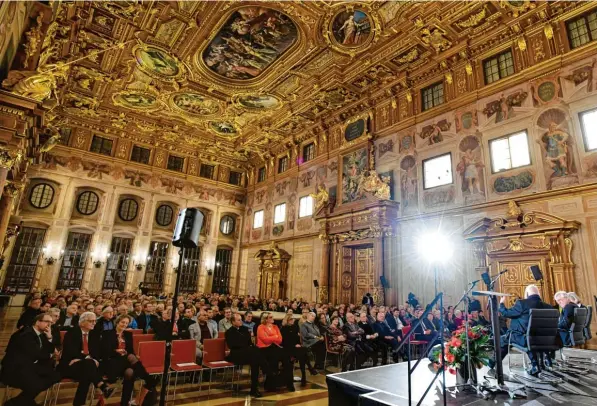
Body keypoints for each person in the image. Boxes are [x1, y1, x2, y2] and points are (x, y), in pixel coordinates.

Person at [1, 313, 61, 406]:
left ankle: (18, 401)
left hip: (30, 367)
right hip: (15, 369)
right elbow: (36, 354)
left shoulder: (42, 335)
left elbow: (48, 351)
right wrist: (50, 355)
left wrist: (49, 338)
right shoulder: (25, 334)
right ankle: (25, 401)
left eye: (51, 322)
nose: (49, 325)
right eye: (47, 322)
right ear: (37, 322)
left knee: (55, 376)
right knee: (36, 383)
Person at [101, 314, 157, 406]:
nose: (124, 325)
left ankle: (124, 402)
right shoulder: (107, 333)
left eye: (126, 323)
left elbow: (131, 351)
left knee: (130, 372)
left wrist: (133, 356)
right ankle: (149, 380)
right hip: (112, 362)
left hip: (126, 362)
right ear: (117, 322)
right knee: (130, 358)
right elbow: (105, 352)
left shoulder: (128, 334)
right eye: (123, 322)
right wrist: (117, 351)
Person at [60, 312, 113, 405]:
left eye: (95, 321)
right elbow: (70, 352)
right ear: (82, 322)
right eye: (91, 321)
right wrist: (87, 358)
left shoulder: (94, 334)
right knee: (89, 366)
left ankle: (79, 403)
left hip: (87, 366)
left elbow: (97, 352)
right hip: (70, 366)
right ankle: (101, 385)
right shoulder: (71, 333)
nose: (94, 323)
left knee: (88, 370)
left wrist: (88, 359)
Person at [499, 285, 552, 375]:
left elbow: (506, 313)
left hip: (525, 339)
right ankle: (540, 362)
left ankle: (492, 364)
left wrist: (501, 304)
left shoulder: (522, 303)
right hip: (544, 340)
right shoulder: (548, 306)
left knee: (503, 339)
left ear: (527, 293)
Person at [225, 313, 269, 398]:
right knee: (255, 352)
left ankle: (254, 389)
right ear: (233, 322)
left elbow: (249, 342)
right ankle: (266, 370)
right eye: (238, 320)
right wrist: (245, 345)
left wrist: (245, 345)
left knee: (255, 361)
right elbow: (232, 345)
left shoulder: (245, 329)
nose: (241, 321)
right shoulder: (229, 332)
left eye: (241, 319)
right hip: (236, 355)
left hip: (248, 354)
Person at [256, 312, 294, 392]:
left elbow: (280, 340)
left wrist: (270, 337)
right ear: (266, 319)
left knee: (288, 359)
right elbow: (265, 340)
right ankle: (271, 384)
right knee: (274, 358)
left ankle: (289, 383)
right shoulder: (261, 327)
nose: (273, 318)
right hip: (264, 349)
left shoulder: (275, 327)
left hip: (275, 347)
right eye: (270, 317)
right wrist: (275, 337)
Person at [281, 314, 315, 385]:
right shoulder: (283, 328)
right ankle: (308, 370)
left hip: (296, 348)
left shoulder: (295, 327)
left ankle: (304, 376)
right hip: (287, 348)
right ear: (287, 320)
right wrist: (294, 345)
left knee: (303, 353)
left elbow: (297, 338)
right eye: (291, 319)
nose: (293, 320)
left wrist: (298, 344)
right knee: (303, 352)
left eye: (293, 319)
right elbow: (284, 341)